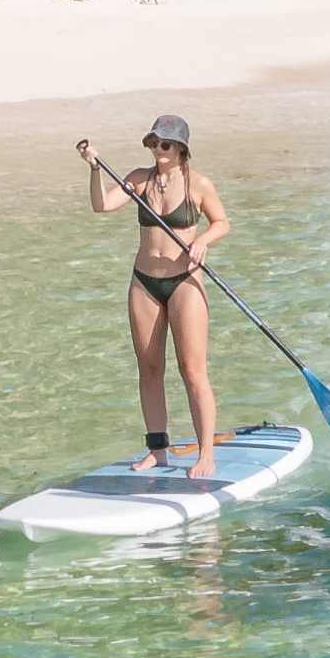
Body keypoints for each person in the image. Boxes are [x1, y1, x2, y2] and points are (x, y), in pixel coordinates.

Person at [84, 116, 229, 472]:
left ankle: (206, 454)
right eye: (152, 143)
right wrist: (93, 169)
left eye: (164, 144)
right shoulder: (138, 179)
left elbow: (222, 223)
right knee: (149, 369)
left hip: (184, 282)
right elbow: (101, 205)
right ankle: (157, 449)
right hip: (144, 282)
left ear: (181, 147)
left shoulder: (199, 184)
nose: (157, 150)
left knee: (192, 370)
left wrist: (202, 241)